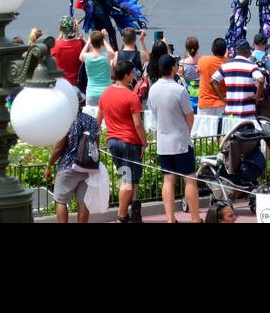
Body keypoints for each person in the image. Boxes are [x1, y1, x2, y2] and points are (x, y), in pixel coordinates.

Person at [147, 54, 200, 223]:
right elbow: (190, 117)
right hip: (181, 142)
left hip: (163, 141)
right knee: (190, 179)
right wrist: (187, 131)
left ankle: (170, 219)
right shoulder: (179, 90)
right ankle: (195, 218)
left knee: (168, 180)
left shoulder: (153, 89)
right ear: (172, 68)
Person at [96, 60, 146, 222]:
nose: (133, 77)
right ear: (126, 75)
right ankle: (122, 215)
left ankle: (133, 212)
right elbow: (138, 124)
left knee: (125, 177)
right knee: (128, 180)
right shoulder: (131, 96)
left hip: (113, 140)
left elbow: (98, 120)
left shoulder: (105, 93)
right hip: (129, 142)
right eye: (131, 73)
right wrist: (144, 142)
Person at [47, 107, 100, 224]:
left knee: (60, 201)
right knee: (83, 202)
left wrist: (49, 166)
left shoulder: (65, 121)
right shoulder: (92, 120)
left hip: (67, 165)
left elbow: (58, 149)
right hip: (87, 167)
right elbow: (96, 145)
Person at [214, 40, 265, 119]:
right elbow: (261, 80)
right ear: (247, 51)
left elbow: (213, 81)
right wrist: (257, 96)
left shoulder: (225, 66)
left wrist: (222, 98)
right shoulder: (252, 66)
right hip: (247, 113)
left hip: (230, 113)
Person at [195, 38, 228, 119]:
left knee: (204, 131)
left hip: (205, 104)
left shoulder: (203, 60)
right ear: (225, 51)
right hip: (223, 104)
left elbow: (198, 72)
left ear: (212, 49)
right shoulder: (229, 63)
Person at [80, 30, 116, 107]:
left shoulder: (87, 57)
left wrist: (88, 42)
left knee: (91, 118)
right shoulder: (106, 56)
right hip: (106, 92)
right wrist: (104, 39)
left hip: (91, 92)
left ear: (91, 42)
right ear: (101, 43)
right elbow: (113, 53)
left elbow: (80, 56)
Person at [50, 16, 84, 86]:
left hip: (60, 84)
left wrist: (60, 34)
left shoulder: (54, 45)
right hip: (76, 83)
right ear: (74, 29)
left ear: (60, 29)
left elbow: (56, 45)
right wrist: (78, 32)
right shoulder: (81, 44)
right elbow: (88, 46)